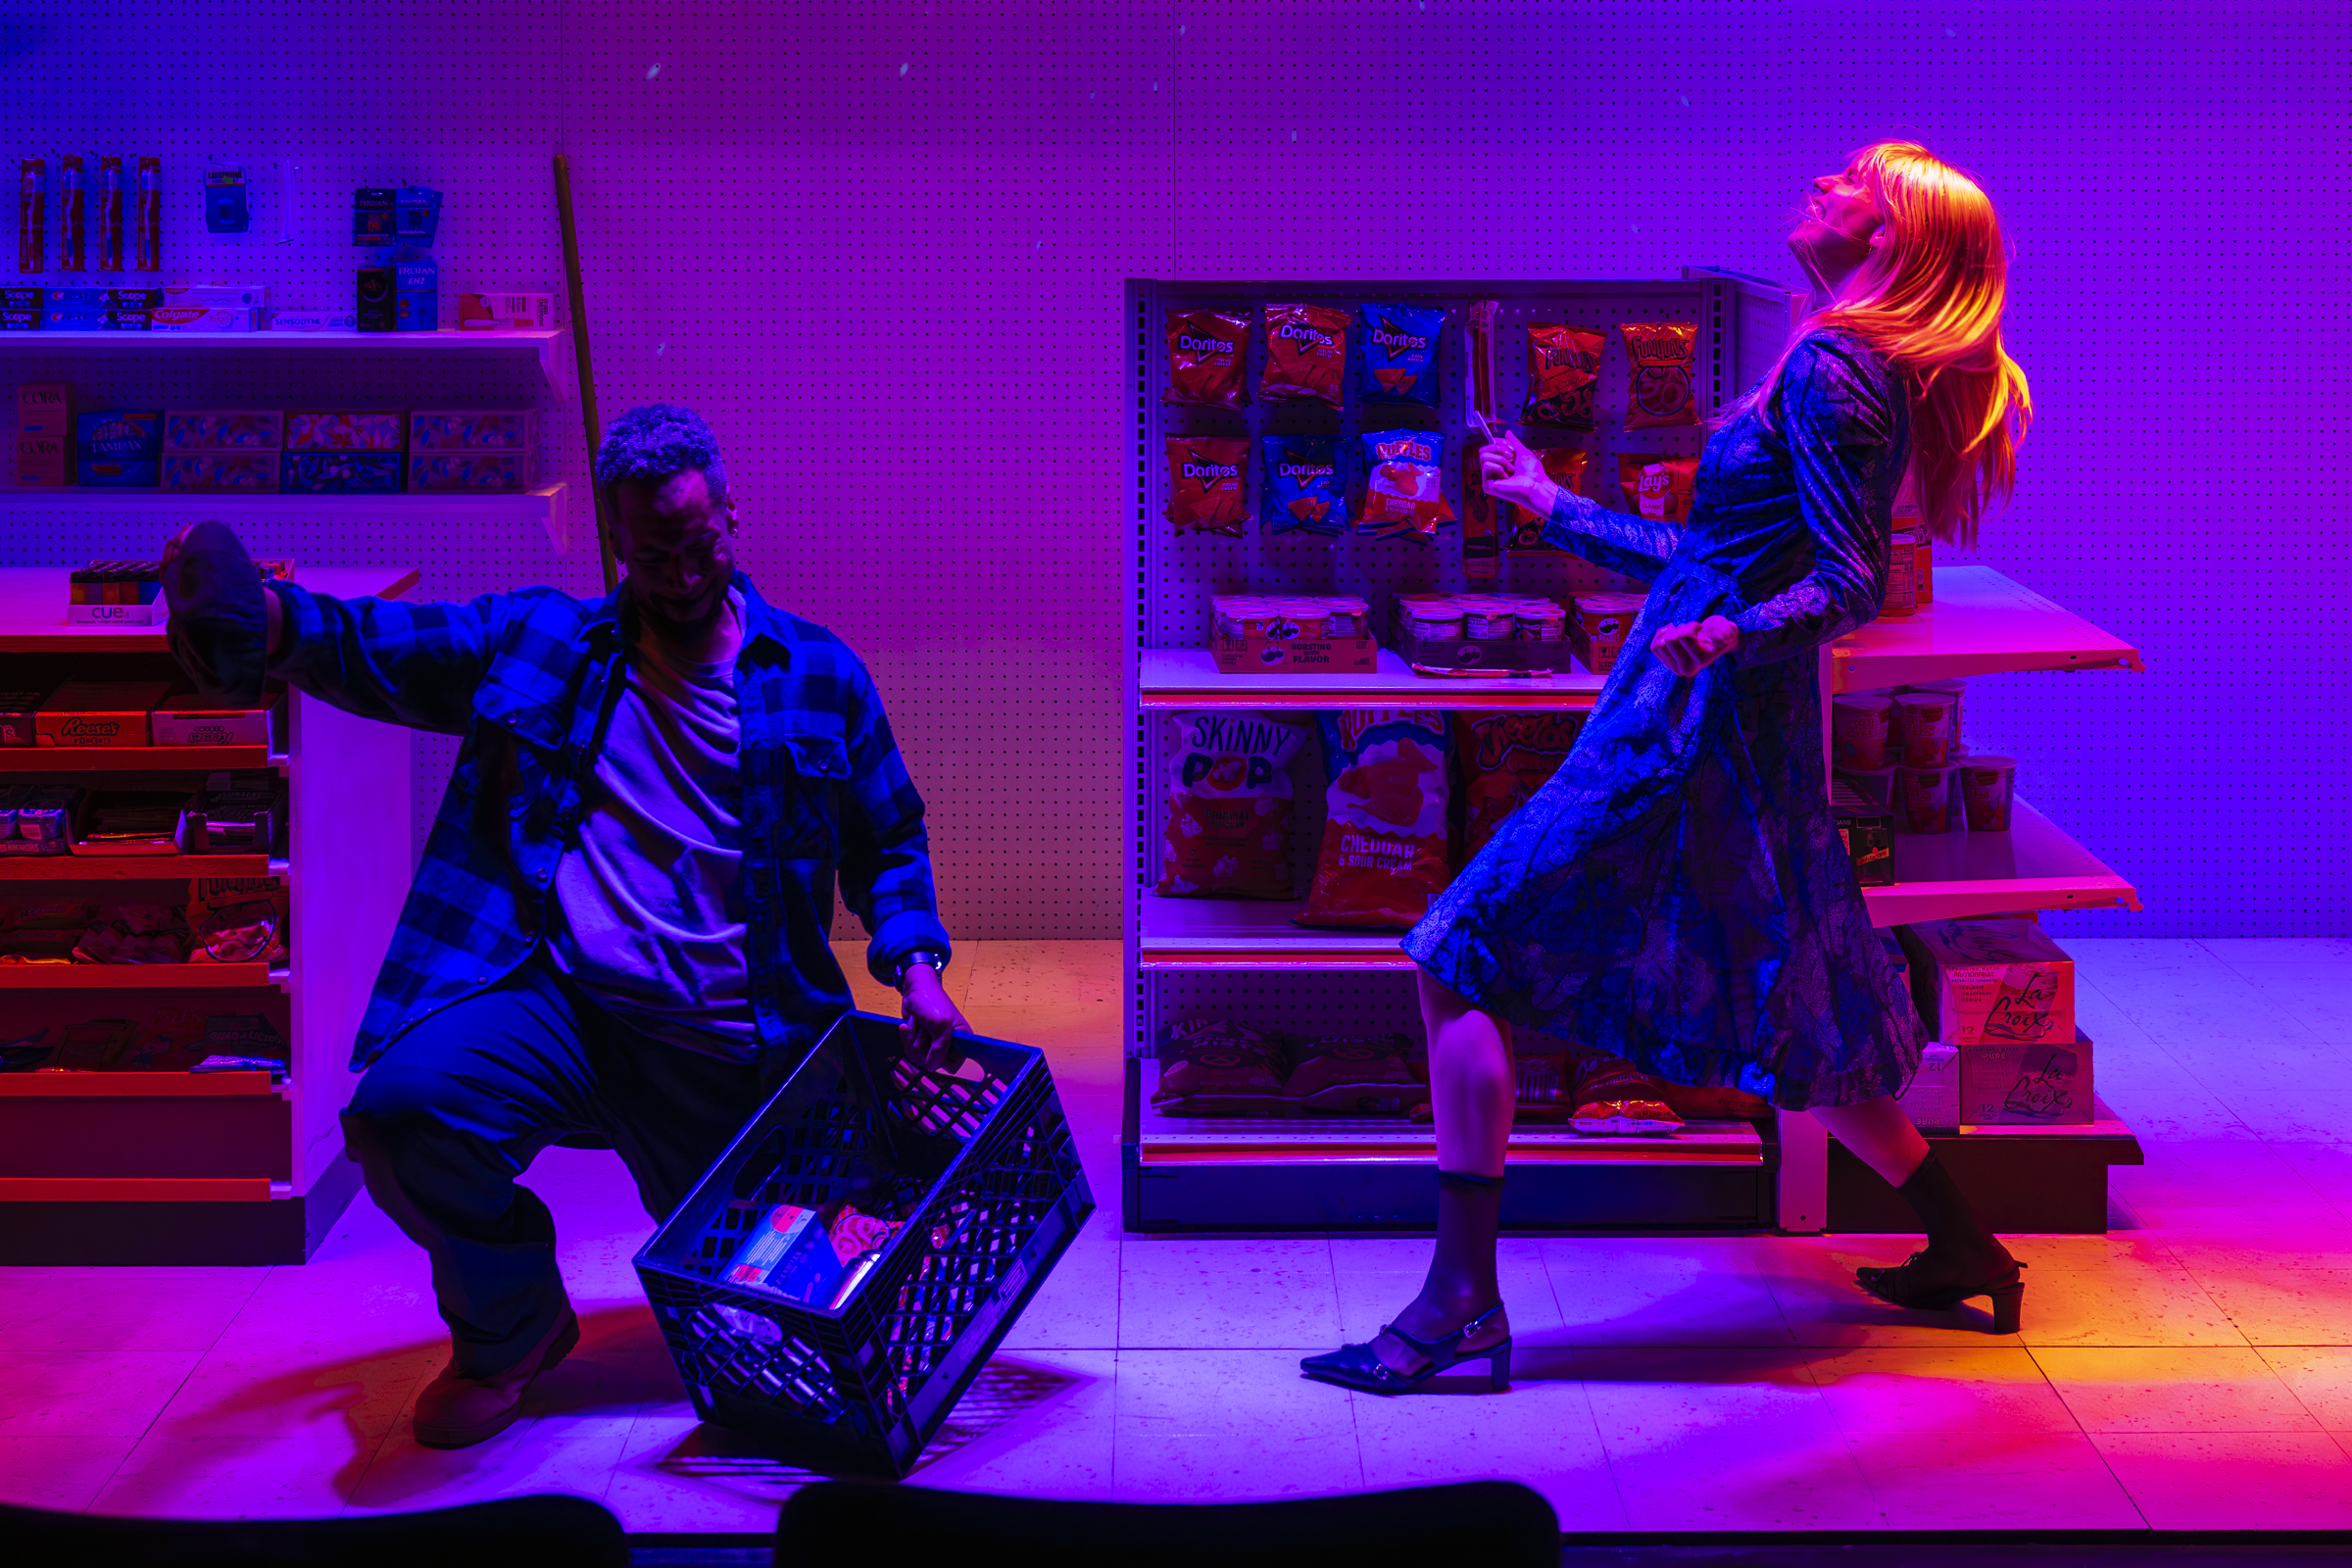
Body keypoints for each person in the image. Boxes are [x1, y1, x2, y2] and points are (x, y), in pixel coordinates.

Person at [1303, 142, 2035, 1395]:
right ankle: (1968, 1245)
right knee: (1802, 1004)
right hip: (1728, 722)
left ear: (1893, 236)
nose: (1824, 182)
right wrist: (1552, 505)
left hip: (1686, 726)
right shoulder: (1833, 358)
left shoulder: (1835, 368)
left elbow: (1848, 581)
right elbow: (1709, 559)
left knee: (1455, 950)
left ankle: (1460, 1301)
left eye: (1854, 180)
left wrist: (1735, 632)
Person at [161, 405, 967, 1446]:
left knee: (807, 1327)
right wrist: (261, 620)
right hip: (568, 1012)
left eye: (699, 543)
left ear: (731, 514)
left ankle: (761, 1252)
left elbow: (889, 840)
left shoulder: (819, 676)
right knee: (404, 1118)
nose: (682, 573)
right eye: (652, 554)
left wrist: (918, 967)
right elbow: (380, 646)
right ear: (615, 542)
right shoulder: (543, 643)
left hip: (739, 1047)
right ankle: (514, 1332)